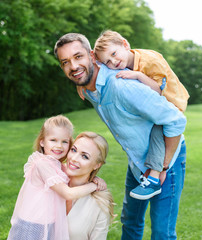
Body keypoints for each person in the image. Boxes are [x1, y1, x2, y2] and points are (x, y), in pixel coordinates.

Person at [54, 33, 187, 239]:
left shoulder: (122, 86)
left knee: (162, 232)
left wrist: (163, 165)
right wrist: (82, 83)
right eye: (66, 62)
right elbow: (86, 77)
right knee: (130, 222)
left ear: (91, 56)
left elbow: (176, 120)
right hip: (136, 162)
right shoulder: (89, 89)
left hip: (167, 159)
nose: (73, 66)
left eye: (78, 57)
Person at [92, 30, 190, 200]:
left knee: (157, 134)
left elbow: (158, 91)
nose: (114, 62)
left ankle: (154, 176)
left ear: (125, 44)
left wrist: (138, 75)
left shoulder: (150, 60)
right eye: (108, 61)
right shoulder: (123, 64)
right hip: (157, 105)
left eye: (114, 54)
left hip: (172, 102)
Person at [7, 115, 106, 240]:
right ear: (42, 141)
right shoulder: (42, 164)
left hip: (47, 223)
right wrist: (93, 185)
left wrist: (95, 178)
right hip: (32, 225)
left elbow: (73, 170)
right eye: (53, 140)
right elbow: (67, 193)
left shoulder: (55, 165)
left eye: (64, 141)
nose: (59, 146)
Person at [65, 131, 116, 240]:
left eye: (84, 156)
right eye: (73, 150)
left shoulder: (99, 203)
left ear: (97, 165)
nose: (74, 158)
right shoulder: (51, 183)